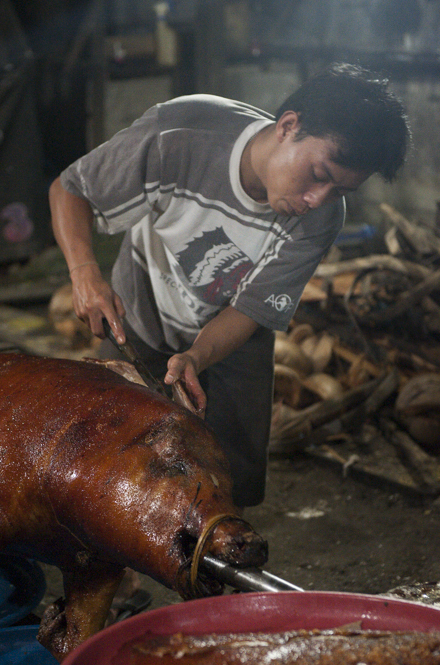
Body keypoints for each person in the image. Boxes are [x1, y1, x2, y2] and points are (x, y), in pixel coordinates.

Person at [48, 63, 410, 508]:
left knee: (227, 484)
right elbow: (70, 190)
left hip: (235, 341)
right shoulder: (180, 133)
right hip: (140, 311)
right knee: (107, 459)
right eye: (319, 175)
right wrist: (84, 272)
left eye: (339, 191)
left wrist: (197, 356)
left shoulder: (321, 219)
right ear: (288, 126)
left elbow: (249, 310)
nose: (317, 200)